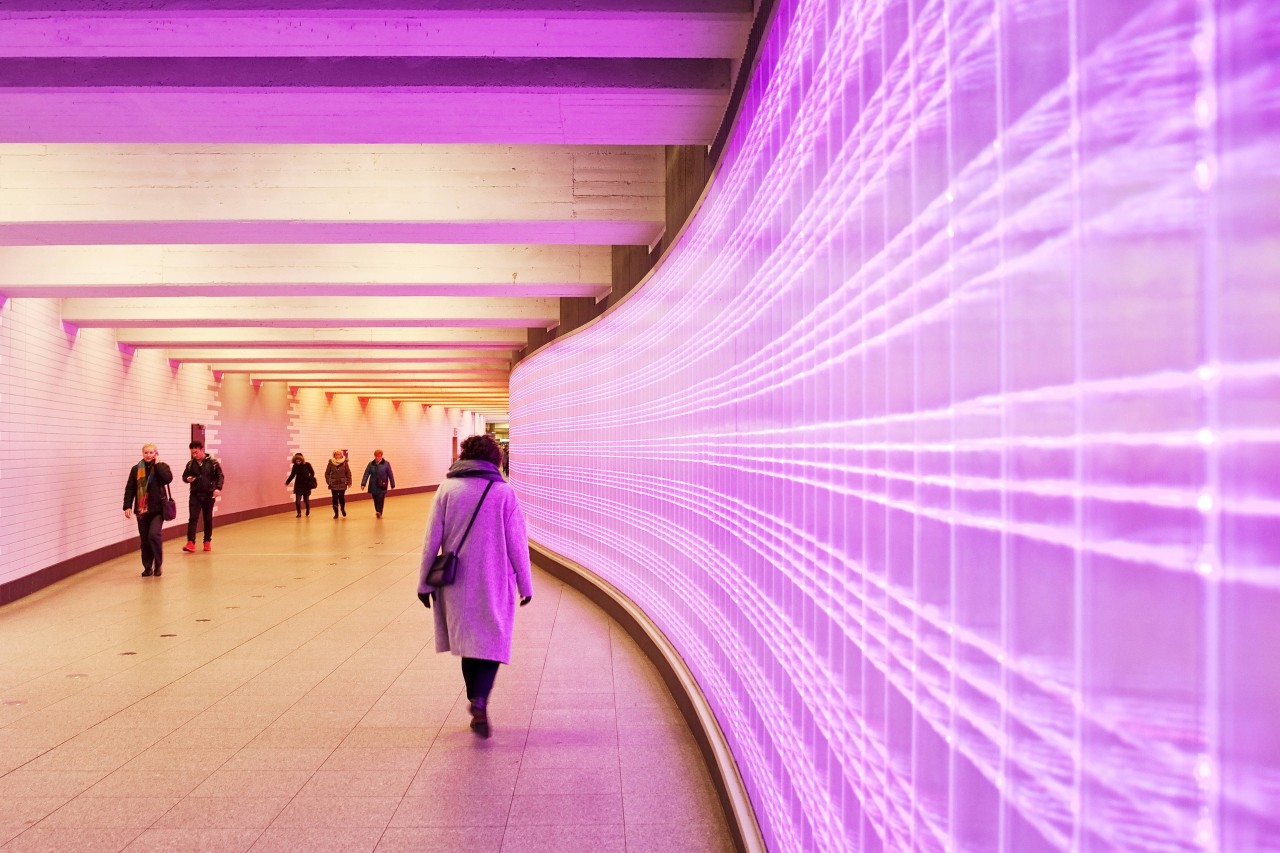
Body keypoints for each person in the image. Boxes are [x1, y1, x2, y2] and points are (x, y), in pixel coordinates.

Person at [417, 434, 533, 738]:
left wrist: (423, 584)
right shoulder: (504, 493)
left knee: (469, 642)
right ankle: (481, 697)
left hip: (457, 582)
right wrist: (525, 582)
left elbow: (431, 539)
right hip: (495, 580)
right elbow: (517, 543)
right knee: (493, 640)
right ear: (495, 459)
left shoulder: (447, 489)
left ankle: (474, 697)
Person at [122, 443, 174, 577]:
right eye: (146, 452)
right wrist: (127, 506)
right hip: (141, 511)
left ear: (156, 453)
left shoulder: (162, 467)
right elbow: (130, 488)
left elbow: (168, 479)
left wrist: (158, 465)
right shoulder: (135, 469)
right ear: (142, 453)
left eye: (151, 453)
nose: (148, 455)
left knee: (153, 535)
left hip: (157, 510)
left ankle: (158, 564)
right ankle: (147, 567)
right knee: (145, 540)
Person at [181, 440, 223, 552]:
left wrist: (218, 488)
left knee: (207, 518)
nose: (194, 455)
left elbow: (220, 476)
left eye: (196, 452)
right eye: (192, 453)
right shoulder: (190, 464)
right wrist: (187, 479)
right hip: (195, 494)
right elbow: (184, 476)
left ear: (202, 450)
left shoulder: (213, 463)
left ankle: (207, 541)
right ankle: (190, 542)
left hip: (209, 494)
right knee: (193, 518)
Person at [361, 449, 396, 518]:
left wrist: (392, 484)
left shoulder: (386, 464)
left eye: (379, 456)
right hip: (373, 484)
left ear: (381, 456)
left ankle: (379, 512)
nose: (377, 458)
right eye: (376, 456)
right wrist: (363, 484)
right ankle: (377, 511)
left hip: (382, 484)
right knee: (375, 499)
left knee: (381, 498)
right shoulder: (371, 464)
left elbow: (390, 474)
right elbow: (366, 474)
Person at [285, 452, 316, 517]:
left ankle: (307, 509)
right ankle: (299, 513)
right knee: (297, 501)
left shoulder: (307, 465)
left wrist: (310, 480)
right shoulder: (295, 466)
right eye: (296, 461)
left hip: (306, 485)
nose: (298, 462)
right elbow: (292, 475)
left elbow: (312, 473)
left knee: (306, 501)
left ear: (302, 460)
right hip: (298, 486)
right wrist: (287, 482)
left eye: (299, 461)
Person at [324, 449, 352, 519]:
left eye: (339, 454)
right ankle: (336, 513)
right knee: (335, 498)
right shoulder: (331, 462)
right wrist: (329, 481)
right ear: (334, 455)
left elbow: (348, 473)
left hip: (342, 483)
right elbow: (327, 473)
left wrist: (349, 482)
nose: (337, 456)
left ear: (341, 455)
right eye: (336, 454)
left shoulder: (345, 462)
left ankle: (342, 509)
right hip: (333, 483)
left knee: (341, 497)